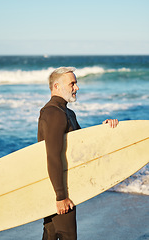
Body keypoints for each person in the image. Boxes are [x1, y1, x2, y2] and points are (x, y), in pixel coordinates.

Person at [37, 67, 119, 240]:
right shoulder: (53, 113)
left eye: (76, 83)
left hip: (60, 185)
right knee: (67, 236)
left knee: (50, 234)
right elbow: (52, 156)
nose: (77, 88)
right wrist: (60, 197)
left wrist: (105, 129)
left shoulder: (67, 113)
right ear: (57, 86)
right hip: (59, 187)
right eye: (72, 83)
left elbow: (82, 146)